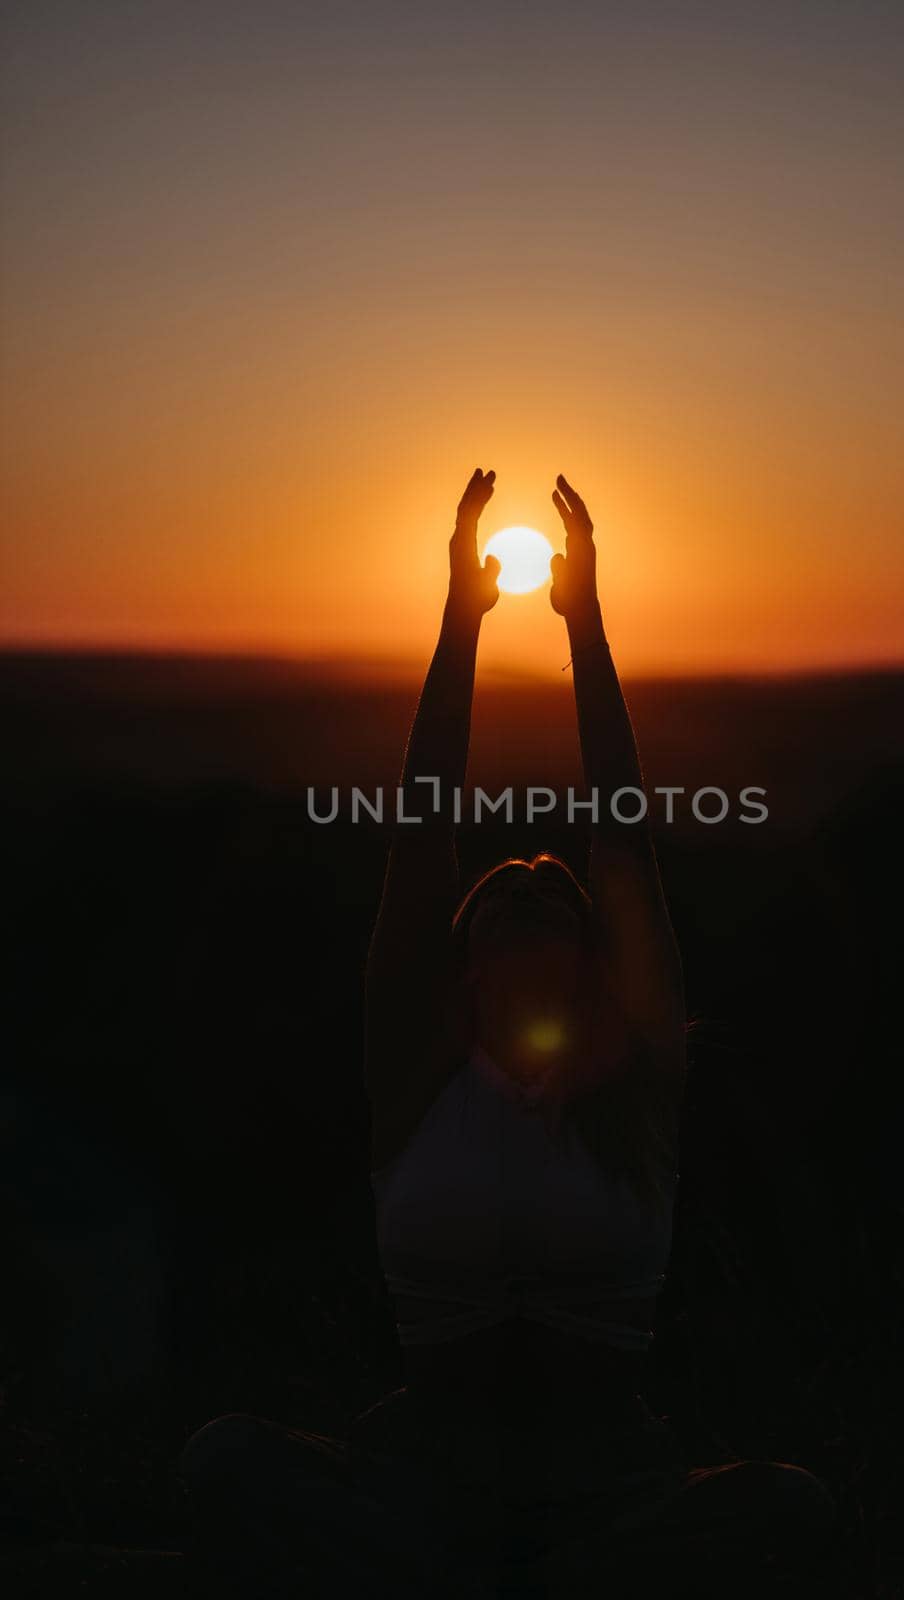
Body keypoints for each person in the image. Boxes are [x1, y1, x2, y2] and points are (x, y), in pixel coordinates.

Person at [180, 471, 835, 1597]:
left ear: (592, 963)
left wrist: (585, 628)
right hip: (417, 1477)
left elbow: (620, 824)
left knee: (795, 1508)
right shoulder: (416, 1077)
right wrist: (457, 619)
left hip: (610, 1490)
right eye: (503, 900)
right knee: (221, 1461)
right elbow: (422, 818)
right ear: (460, 956)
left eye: (553, 905)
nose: (530, 897)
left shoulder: (633, 1096)